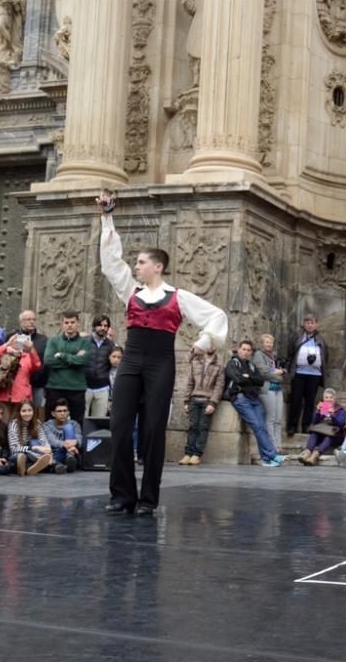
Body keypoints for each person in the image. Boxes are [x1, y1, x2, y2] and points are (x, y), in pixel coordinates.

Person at [98, 192, 228, 515]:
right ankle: (122, 495)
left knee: (155, 429)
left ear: (157, 267)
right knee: (119, 424)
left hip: (161, 363)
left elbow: (217, 316)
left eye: (141, 262)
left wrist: (204, 342)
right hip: (131, 360)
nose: (136, 266)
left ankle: (147, 499)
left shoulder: (178, 297)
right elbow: (111, 263)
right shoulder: (131, 291)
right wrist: (107, 217)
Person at [225, 340, 284, 468]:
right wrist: (249, 379)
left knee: (262, 427)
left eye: (248, 350)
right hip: (240, 398)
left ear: (251, 352)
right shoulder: (232, 363)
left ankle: (266, 459)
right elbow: (238, 378)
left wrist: (248, 378)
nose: (246, 352)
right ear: (239, 350)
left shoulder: (251, 366)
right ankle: (272, 455)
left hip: (254, 398)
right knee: (257, 425)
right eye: (244, 349)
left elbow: (260, 380)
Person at [179, 344, 225, 466]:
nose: (210, 346)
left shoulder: (219, 363)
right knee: (192, 426)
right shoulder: (196, 360)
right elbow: (190, 382)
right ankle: (188, 453)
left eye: (213, 343)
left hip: (207, 400)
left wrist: (213, 403)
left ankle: (197, 455)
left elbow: (219, 386)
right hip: (194, 398)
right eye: (208, 343)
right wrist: (186, 401)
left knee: (203, 427)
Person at [44, 310, 91, 425]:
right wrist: (74, 359)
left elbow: (83, 360)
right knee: (51, 421)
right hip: (55, 386)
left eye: (72, 322)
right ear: (62, 324)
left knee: (77, 422)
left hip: (77, 388)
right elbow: (48, 361)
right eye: (66, 322)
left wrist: (61, 355)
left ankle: (76, 443)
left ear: (78, 323)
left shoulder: (85, 342)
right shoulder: (53, 341)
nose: (69, 325)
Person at [286, 314, 329, 436]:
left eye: (312, 322)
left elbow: (326, 355)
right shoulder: (297, 337)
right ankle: (292, 426)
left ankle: (306, 426)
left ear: (316, 324)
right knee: (296, 400)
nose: (310, 325)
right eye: (308, 322)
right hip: (299, 373)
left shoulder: (320, 339)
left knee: (310, 401)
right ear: (304, 324)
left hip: (314, 374)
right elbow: (290, 351)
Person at [0, 331, 42, 406]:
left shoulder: (26, 356)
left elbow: (37, 365)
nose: (18, 342)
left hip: (20, 398)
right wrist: (6, 344)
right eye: (15, 339)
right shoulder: (2, 353)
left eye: (20, 339)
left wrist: (31, 349)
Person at [253, 333, 286, 454]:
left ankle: (279, 445)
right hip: (267, 389)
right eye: (267, 342)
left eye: (271, 342)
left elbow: (279, 371)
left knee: (278, 419)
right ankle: (271, 444)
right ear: (262, 343)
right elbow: (263, 371)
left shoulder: (273, 356)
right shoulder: (258, 355)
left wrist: (278, 373)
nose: (269, 344)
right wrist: (277, 374)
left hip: (277, 389)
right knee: (271, 418)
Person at [299, 388, 346, 466]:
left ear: (335, 399)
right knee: (314, 433)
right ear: (323, 399)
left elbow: (340, 424)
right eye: (326, 397)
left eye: (331, 397)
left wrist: (333, 415)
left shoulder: (341, 410)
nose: (329, 399)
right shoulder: (322, 408)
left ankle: (315, 455)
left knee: (329, 437)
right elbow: (314, 422)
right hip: (322, 432)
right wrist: (317, 412)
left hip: (335, 435)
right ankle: (307, 453)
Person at [15, 310, 49, 412]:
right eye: (28, 319)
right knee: (19, 412)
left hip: (37, 384)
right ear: (21, 322)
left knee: (36, 411)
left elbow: (45, 362)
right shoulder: (13, 337)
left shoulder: (43, 339)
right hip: (18, 385)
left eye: (34, 319)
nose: (32, 322)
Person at [7, 399, 53, 476]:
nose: (27, 413)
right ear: (19, 412)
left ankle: (27, 468)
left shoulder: (37, 423)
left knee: (40, 448)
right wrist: (33, 448)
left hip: (35, 453)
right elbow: (14, 448)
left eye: (29, 410)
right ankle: (29, 467)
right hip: (18, 453)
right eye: (24, 411)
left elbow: (44, 441)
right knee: (21, 456)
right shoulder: (13, 424)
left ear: (33, 411)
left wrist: (49, 452)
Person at [84, 315, 115, 418]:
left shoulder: (111, 345)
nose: (103, 328)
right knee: (82, 418)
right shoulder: (84, 342)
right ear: (94, 326)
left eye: (105, 326)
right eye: (100, 325)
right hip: (85, 386)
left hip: (102, 388)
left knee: (98, 420)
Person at [42, 398, 82, 474]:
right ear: (53, 413)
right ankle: (61, 465)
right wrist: (66, 445)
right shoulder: (47, 425)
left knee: (68, 427)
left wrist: (76, 441)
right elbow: (51, 440)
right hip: (56, 454)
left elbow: (79, 438)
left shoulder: (74, 424)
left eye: (65, 411)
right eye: (59, 411)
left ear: (68, 413)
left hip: (73, 455)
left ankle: (68, 459)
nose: (62, 413)